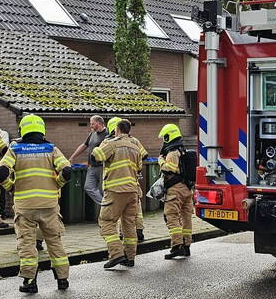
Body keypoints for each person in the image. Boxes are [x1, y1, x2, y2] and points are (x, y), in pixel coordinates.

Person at [0, 114, 72, 293]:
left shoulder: (15, 149)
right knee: (54, 241)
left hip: (25, 206)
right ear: (41, 130)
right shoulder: (51, 148)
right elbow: (67, 171)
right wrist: (57, 184)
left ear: (23, 130)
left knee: (27, 244)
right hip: (49, 204)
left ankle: (30, 283)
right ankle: (62, 280)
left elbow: (1, 171)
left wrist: (11, 188)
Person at [93, 118, 146, 269]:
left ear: (116, 129)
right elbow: (139, 167)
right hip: (132, 191)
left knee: (106, 222)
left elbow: (97, 156)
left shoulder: (112, 143)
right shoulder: (136, 147)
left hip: (115, 190)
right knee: (129, 224)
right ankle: (130, 258)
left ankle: (116, 254)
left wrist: (99, 146)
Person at [158, 123, 195, 259]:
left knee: (171, 216)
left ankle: (177, 246)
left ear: (169, 136)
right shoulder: (182, 149)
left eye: (165, 137)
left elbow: (169, 169)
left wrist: (161, 161)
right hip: (186, 188)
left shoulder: (172, 152)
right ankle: (186, 246)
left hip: (175, 190)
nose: (163, 140)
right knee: (186, 218)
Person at [67, 115, 108, 207]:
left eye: (92, 124)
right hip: (92, 167)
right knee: (88, 187)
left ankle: (108, 210)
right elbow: (84, 146)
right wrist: (72, 157)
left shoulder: (107, 134)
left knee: (103, 190)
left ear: (99, 123)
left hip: (103, 166)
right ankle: (105, 205)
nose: (91, 126)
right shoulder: (92, 134)